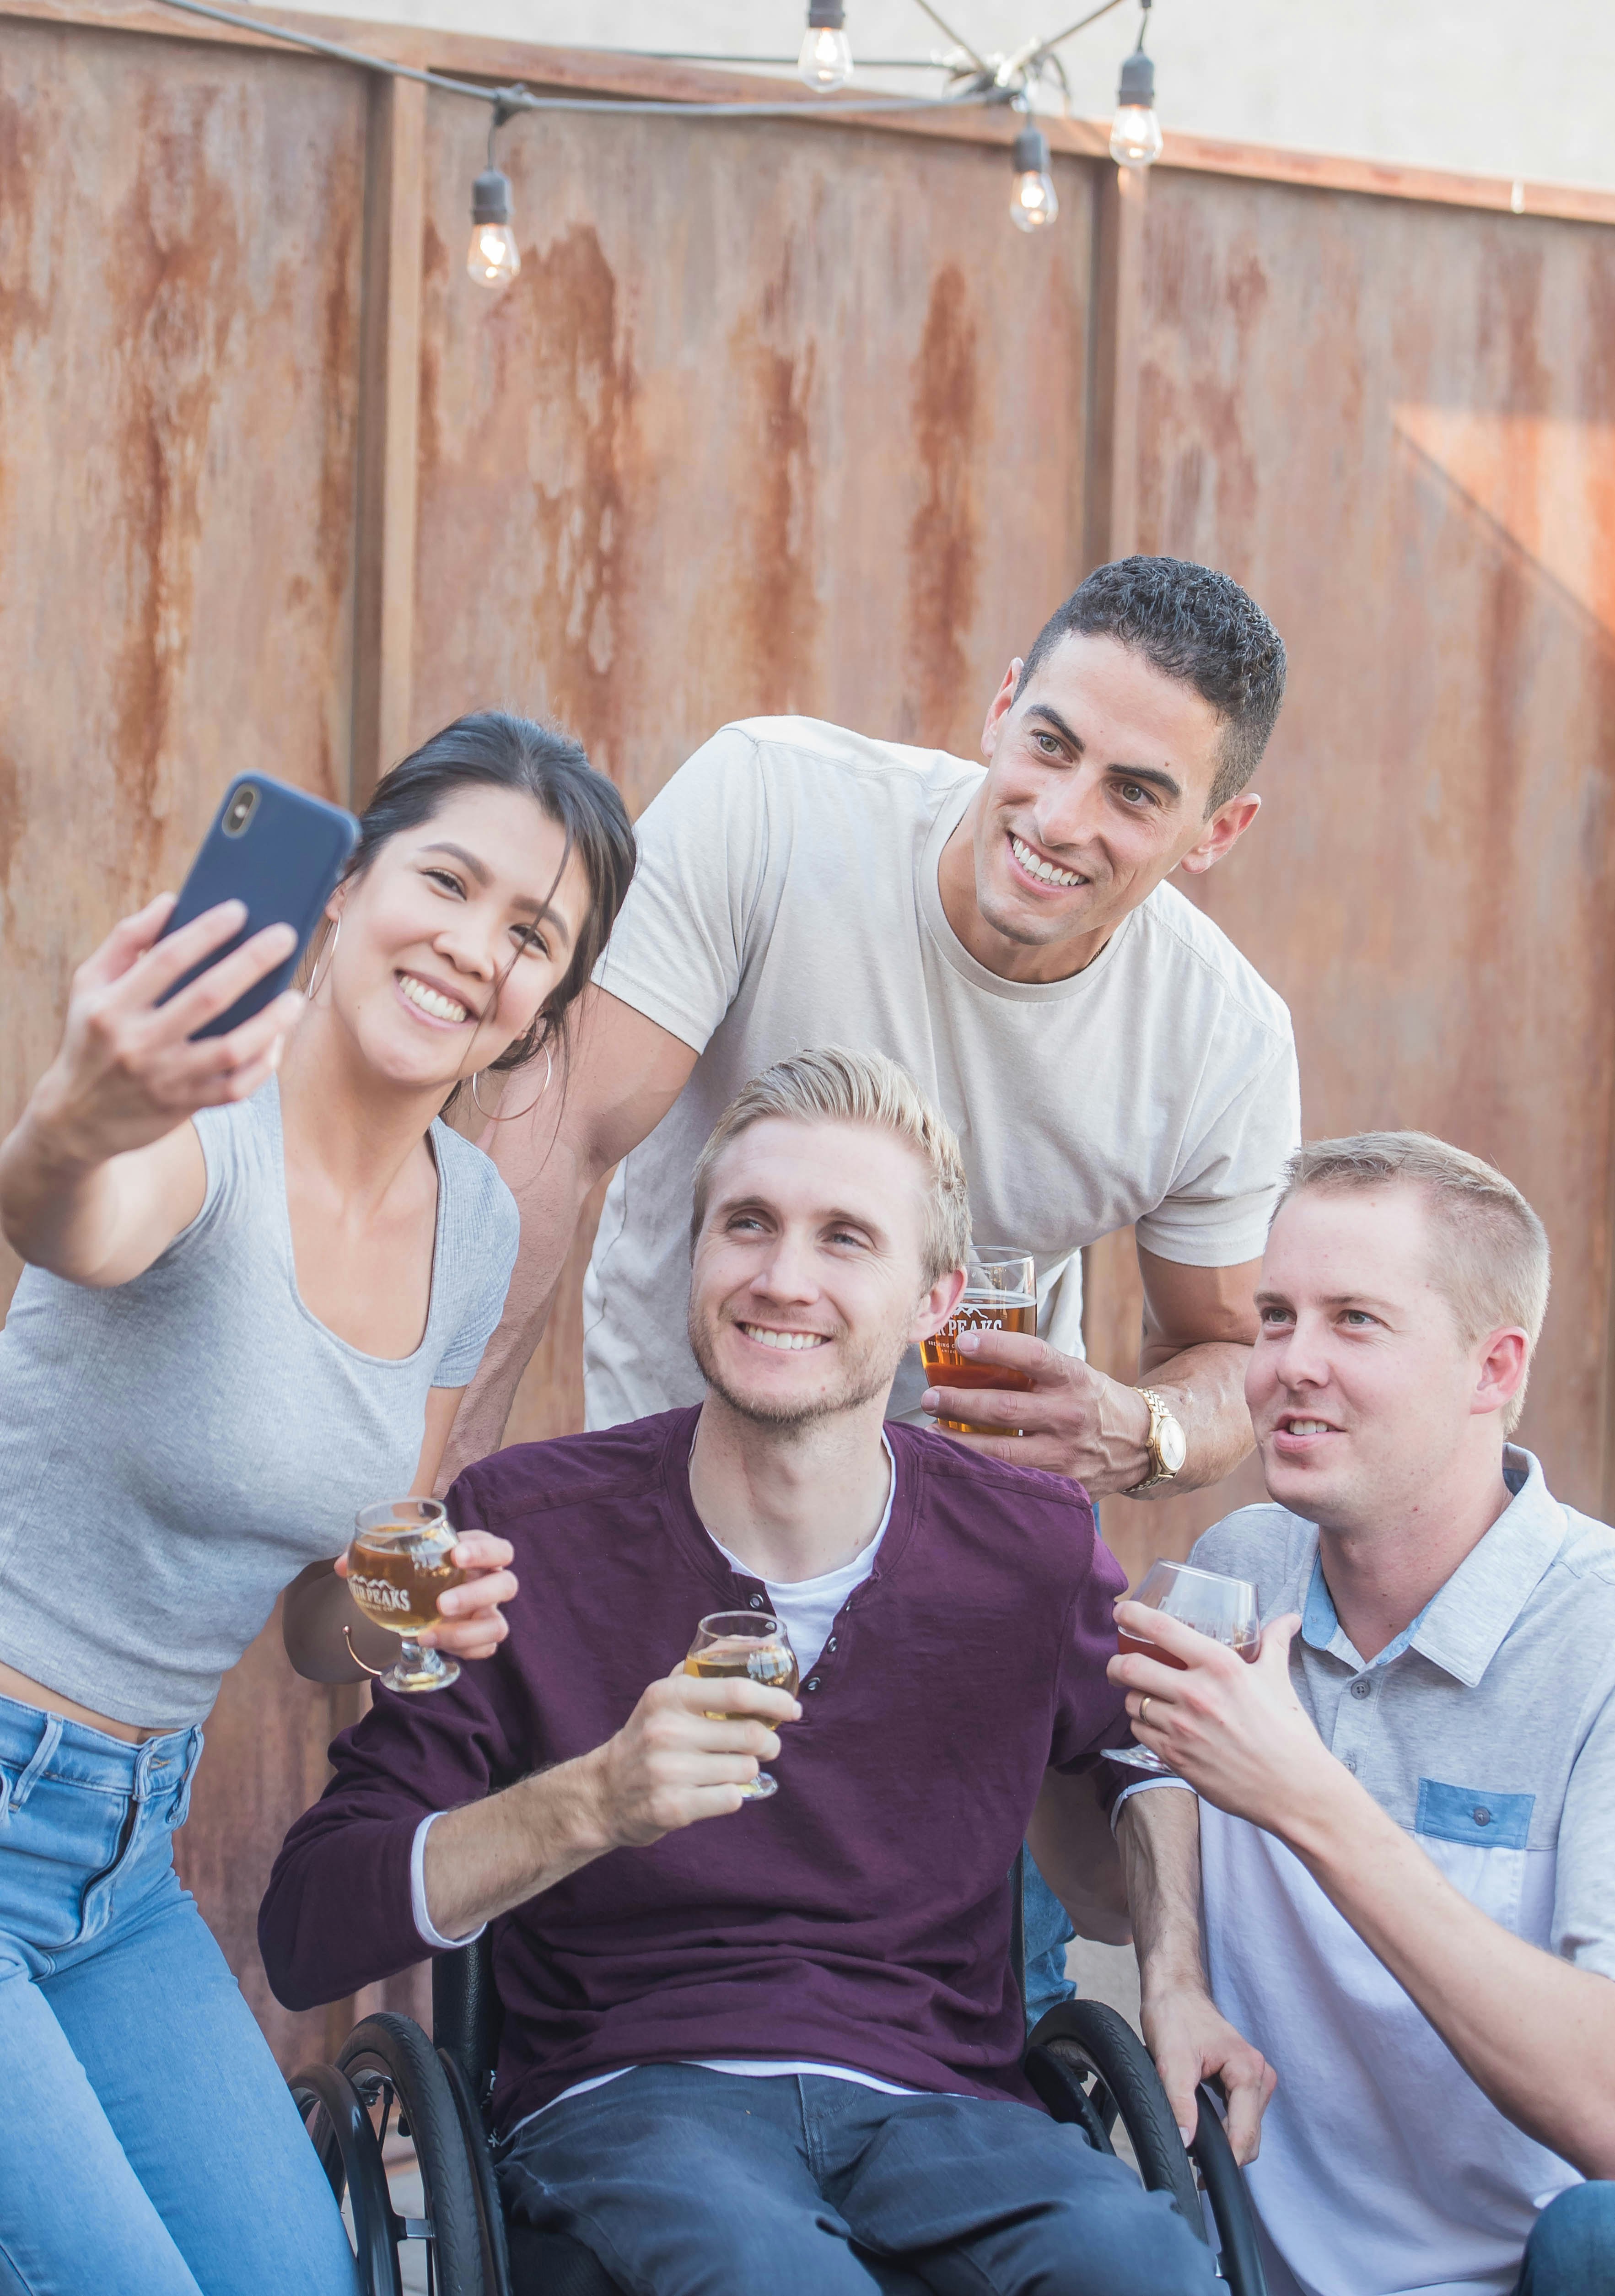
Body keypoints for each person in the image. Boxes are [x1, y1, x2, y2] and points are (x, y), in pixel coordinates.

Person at [445, 553, 1301, 2016]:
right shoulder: (775, 804)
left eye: (1136, 793)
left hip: (960, 1603)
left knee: (966, 2036)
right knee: (622, 2014)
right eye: (1050, 746)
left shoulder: (1217, 1037)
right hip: (672, 1540)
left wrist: (1142, 1431)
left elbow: (1226, 1354)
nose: (1061, 815)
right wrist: (437, 1498)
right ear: (1000, 707)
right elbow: (554, 1137)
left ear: (1218, 829)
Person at [261, 1048, 1220, 2296]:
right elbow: (310, 1921)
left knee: (1144, 2263)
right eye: (748, 1225)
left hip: (944, 2108)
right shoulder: (525, 1528)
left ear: (935, 1300)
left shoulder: (1026, 1545)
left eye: (844, 1239)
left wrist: (1177, 1979)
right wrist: (591, 1802)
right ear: (695, 1254)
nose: (782, 1278)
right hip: (633, 2104)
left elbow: (1145, 1745)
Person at [0, 713, 635, 2296]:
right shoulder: (205, 1107)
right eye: (450, 879)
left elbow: (318, 1625)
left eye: (532, 932)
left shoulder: (472, 1215)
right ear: (346, 885)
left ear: (543, 1004)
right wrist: (86, 1099)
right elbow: (69, 1211)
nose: (476, 946)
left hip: (124, 1851)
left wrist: (408, 1619)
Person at [1110, 1132, 1615, 2296]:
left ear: (1494, 1369)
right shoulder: (1240, 1567)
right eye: (1276, 1316)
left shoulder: (1594, 1639)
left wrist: (1304, 1797)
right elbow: (1127, 1809)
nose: (1292, 1361)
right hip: (1236, 2262)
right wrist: (1173, 1969)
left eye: (1356, 1320)